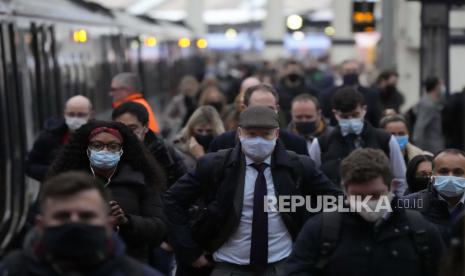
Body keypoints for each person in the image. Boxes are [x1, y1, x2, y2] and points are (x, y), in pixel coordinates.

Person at [164, 106, 341, 276]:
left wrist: (311, 239)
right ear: (240, 133)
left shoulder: (298, 166)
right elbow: (173, 200)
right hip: (227, 265)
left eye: (265, 135)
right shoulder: (215, 165)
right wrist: (189, 250)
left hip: (282, 265)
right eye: (252, 134)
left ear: (277, 134)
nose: (258, 141)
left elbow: (335, 200)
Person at [285, 148, 445, 276]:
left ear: (393, 187)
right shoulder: (320, 231)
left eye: (375, 195)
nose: (367, 203)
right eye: (358, 196)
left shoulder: (420, 231)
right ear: (344, 189)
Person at [0, 171, 163, 276]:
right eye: (62, 216)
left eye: (86, 216)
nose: (74, 223)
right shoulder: (11, 270)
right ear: (40, 224)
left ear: (108, 224)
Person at [48, 121, 166, 262]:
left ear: (122, 150)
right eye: (97, 145)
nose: (105, 151)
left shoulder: (141, 180)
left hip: (128, 263)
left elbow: (159, 230)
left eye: (113, 146)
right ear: (87, 148)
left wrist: (126, 221)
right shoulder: (68, 182)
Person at [309, 87, 407, 193]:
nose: (350, 120)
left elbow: (400, 179)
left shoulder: (385, 140)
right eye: (344, 117)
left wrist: (396, 206)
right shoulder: (321, 143)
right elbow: (312, 180)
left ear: (364, 110)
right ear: (335, 114)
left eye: (355, 115)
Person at [209, 84, 309, 155]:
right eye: (257, 108)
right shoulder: (221, 143)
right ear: (244, 109)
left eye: (269, 109)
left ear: (277, 110)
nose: (264, 113)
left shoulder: (296, 144)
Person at [112, 102, 186, 187]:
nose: (127, 133)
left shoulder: (164, 151)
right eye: (121, 128)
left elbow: (182, 186)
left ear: (146, 127)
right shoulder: (109, 155)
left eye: (132, 128)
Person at [26, 95, 93, 182]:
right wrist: (56, 173)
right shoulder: (49, 136)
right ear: (64, 113)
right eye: (71, 114)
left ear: (91, 114)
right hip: (55, 190)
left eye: (81, 115)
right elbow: (30, 166)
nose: (75, 119)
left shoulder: (101, 136)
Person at [403, 149, 465, 241]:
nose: (450, 178)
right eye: (443, 171)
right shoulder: (408, 205)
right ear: (432, 175)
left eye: (458, 172)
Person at [320, 59, 382, 127]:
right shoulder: (328, 95)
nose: (351, 73)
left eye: (354, 71)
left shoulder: (371, 94)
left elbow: (376, 119)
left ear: (359, 72)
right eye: (348, 71)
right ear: (341, 72)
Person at [275, 60, 319, 124]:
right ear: (284, 71)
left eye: (296, 70)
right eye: (290, 70)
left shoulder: (311, 90)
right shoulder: (277, 91)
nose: (293, 73)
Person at [412, 76, 445, 153]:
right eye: (441, 85)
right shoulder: (428, 105)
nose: (442, 88)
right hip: (431, 148)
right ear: (437, 86)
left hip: (432, 146)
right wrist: (417, 151)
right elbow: (419, 127)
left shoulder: (431, 103)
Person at [163, 75, 201, 139]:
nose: (189, 87)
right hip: (182, 131)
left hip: (199, 129)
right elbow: (165, 116)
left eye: (192, 85)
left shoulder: (200, 99)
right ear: (182, 87)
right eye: (186, 85)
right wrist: (175, 122)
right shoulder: (178, 100)